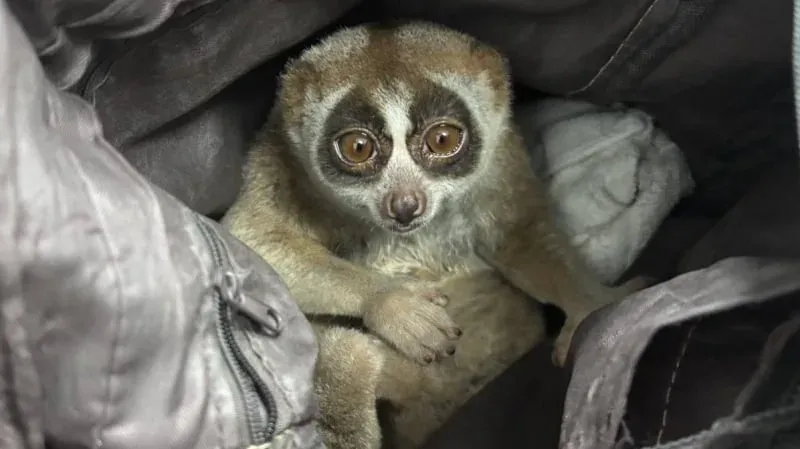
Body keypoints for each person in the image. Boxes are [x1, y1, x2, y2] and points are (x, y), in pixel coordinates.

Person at [2, 1, 799, 448]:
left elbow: (520, 237)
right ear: (304, 114)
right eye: (360, 148)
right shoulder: (281, 163)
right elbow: (261, 248)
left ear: (490, 101)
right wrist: (373, 295)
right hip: (352, 347)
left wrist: (584, 298)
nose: (405, 192)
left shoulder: (500, 156)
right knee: (341, 358)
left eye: (440, 142)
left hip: (473, 348)